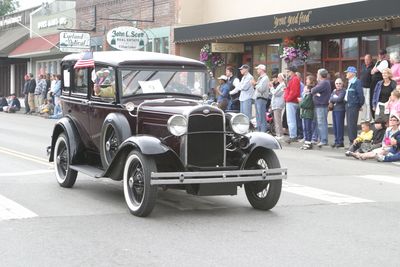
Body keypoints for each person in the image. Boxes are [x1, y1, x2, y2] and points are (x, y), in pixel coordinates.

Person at [344, 66, 365, 144]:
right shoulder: (350, 82)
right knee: (349, 124)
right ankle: (351, 140)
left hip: (353, 105)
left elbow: (360, 95)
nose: (346, 74)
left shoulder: (357, 82)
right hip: (348, 105)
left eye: (347, 72)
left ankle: (353, 141)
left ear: (352, 73)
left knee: (352, 124)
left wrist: (359, 105)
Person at [311, 68, 331, 147]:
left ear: (320, 75)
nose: (317, 75)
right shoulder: (322, 83)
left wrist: (316, 93)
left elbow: (313, 90)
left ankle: (323, 140)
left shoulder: (324, 83)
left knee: (321, 123)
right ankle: (320, 139)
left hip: (322, 106)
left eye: (317, 74)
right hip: (319, 105)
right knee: (319, 123)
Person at [370, 49, 390, 119]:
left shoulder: (385, 62)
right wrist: (374, 70)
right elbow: (372, 71)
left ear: (385, 54)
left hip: (379, 83)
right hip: (374, 83)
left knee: (377, 97)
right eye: (379, 54)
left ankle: (378, 117)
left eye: (382, 54)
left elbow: (375, 70)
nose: (380, 55)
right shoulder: (378, 61)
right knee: (372, 98)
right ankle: (374, 116)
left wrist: (374, 70)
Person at [284, 66, 301, 143]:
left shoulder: (294, 79)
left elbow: (294, 92)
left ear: (292, 72)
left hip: (291, 101)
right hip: (291, 101)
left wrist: (287, 99)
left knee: (291, 120)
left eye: (288, 71)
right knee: (291, 119)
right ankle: (293, 135)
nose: (287, 73)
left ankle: (293, 136)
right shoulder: (293, 79)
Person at [299, 75, 316, 150]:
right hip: (305, 113)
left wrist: (300, 102)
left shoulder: (309, 95)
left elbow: (304, 104)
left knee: (308, 128)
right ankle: (306, 142)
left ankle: (309, 142)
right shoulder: (306, 95)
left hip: (309, 113)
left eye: (306, 89)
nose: (304, 90)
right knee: (305, 128)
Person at [329, 78, 346, 148]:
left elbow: (339, 99)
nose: (338, 85)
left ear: (342, 84)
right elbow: (330, 98)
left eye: (340, 83)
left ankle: (340, 141)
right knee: (335, 126)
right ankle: (336, 141)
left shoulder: (343, 91)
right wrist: (334, 98)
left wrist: (333, 98)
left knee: (339, 126)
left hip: (340, 110)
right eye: (337, 83)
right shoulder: (334, 91)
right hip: (334, 110)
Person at [253, 64, 270, 132]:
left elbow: (262, 89)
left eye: (258, 69)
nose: (257, 70)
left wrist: (255, 84)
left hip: (261, 99)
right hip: (258, 98)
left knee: (262, 116)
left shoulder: (265, 78)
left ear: (261, 69)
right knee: (258, 117)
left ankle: (263, 132)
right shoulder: (261, 78)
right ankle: (259, 131)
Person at [270, 73, 286, 139]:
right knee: (277, 120)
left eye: (279, 77)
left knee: (278, 120)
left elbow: (275, 93)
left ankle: (279, 134)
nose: (278, 78)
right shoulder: (281, 85)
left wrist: (271, 87)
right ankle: (279, 134)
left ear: (282, 78)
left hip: (278, 104)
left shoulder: (282, 85)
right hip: (276, 104)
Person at [360, 54, 374, 122]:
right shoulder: (363, 66)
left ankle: (369, 118)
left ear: (371, 59)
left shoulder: (373, 67)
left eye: (367, 59)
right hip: (362, 87)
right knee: (363, 103)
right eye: (365, 59)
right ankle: (364, 117)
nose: (366, 61)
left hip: (369, 88)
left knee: (368, 103)